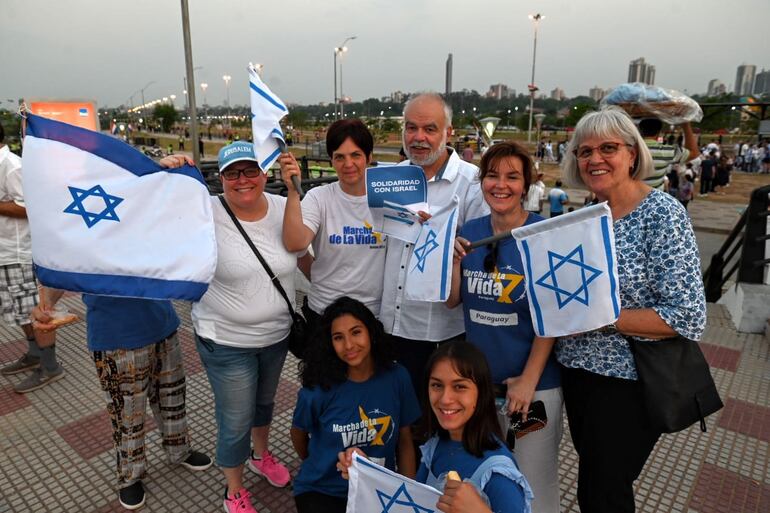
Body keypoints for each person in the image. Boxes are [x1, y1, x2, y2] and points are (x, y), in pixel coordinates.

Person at [558, 106, 706, 512]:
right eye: (584, 152)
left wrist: (598, 318)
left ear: (632, 154)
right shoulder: (587, 215)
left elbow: (688, 315)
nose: (594, 159)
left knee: (605, 489)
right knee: (593, 478)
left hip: (629, 380)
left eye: (608, 148)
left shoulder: (662, 214)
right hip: (576, 372)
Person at [448, 142, 562, 513]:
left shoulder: (543, 234)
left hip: (532, 392)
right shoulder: (472, 231)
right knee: (489, 478)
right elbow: (452, 301)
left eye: (512, 177)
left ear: (526, 184)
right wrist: (451, 261)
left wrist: (528, 381)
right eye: (492, 175)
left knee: (532, 479)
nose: (501, 185)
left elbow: (552, 317)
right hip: (481, 388)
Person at [32, 288, 213, 510]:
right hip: (114, 338)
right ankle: (130, 475)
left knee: (173, 396)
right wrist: (46, 304)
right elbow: (62, 269)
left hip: (163, 325)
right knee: (126, 413)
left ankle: (179, 449)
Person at [193, 142, 296, 513]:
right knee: (235, 418)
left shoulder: (286, 207)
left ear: (265, 173)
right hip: (225, 340)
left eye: (251, 170)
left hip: (276, 336)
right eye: (232, 173)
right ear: (219, 179)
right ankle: (233, 489)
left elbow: (311, 256)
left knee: (264, 405)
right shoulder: (204, 212)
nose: (242, 180)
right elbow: (150, 208)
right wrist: (165, 168)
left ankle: (261, 455)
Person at [379, 92, 488, 401]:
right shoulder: (391, 179)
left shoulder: (472, 184)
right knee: (395, 417)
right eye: (411, 128)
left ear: (448, 132)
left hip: (437, 333)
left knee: (431, 421)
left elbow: (478, 255)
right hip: (388, 324)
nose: (418, 137)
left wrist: (448, 246)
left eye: (429, 129)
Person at [341, 340, 534, 513]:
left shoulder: (499, 475)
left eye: (459, 387)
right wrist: (367, 471)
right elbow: (410, 501)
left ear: (481, 393)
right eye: (437, 385)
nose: (445, 399)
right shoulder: (435, 445)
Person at [291, 297, 421, 513]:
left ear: (371, 332)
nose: (349, 345)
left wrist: (410, 492)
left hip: (377, 487)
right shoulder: (317, 390)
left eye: (356, 332)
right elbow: (298, 433)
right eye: (338, 337)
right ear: (330, 344)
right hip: (323, 490)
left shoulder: (398, 377)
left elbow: (405, 441)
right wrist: (317, 462)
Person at [279, 119, 386, 334]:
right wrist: (292, 191)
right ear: (331, 160)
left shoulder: (387, 199)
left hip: (374, 314)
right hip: (325, 313)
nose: (348, 164)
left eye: (356, 155)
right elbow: (295, 244)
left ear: (369, 158)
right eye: (340, 157)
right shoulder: (319, 197)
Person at [0, 123, 64, 393]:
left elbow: (29, 207)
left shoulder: (11, 165)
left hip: (19, 252)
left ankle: (50, 366)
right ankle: (35, 354)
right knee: (19, 310)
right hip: (5, 252)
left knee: (36, 310)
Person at [636, 118, 699, 190]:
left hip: (630, 197)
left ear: (640, 131)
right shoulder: (667, 151)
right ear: (659, 132)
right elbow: (694, 153)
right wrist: (686, 125)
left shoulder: (630, 149)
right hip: (655, 197)